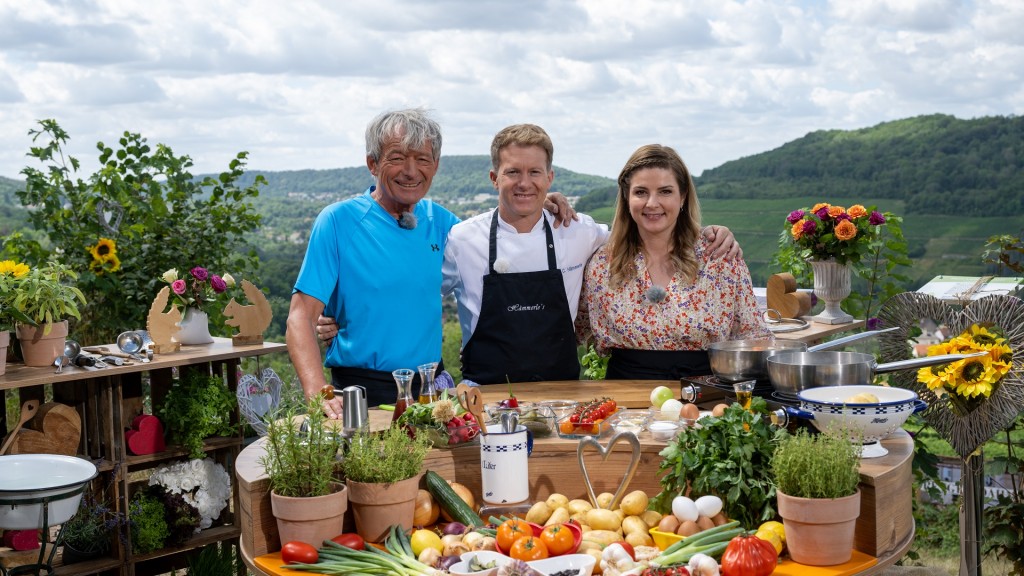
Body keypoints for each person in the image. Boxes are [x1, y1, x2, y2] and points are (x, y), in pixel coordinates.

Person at [288, 109, 576, 415]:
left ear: (435, 166)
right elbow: (299, 318)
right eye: (397, 158)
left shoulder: (442, 223)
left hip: (431, 392)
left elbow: (500, 237)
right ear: (372, 163)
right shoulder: (338, 221)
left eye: (423, 159)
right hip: (364, 391)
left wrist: (536, 203)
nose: (411, 171)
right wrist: (319, 390)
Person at [440, 125, 741, 384]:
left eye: (535, 172)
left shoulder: (577, 231)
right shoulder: (462, 240)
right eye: (512, 172)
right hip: (485, 396)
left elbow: (647, 235)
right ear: (494, 178)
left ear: (550, 178)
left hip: (561, 396)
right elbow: (421, 297)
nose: (524, 183)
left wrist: (710, 233)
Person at [577, 144, 770, 380]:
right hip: (624, 404)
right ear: (627, 197)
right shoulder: (602, 264)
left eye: (665, 191)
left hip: (706, 397)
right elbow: (571, 330)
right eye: (641, 192)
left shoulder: (719, 257)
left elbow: (754, 336)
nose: (652, 203)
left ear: (683, 196)